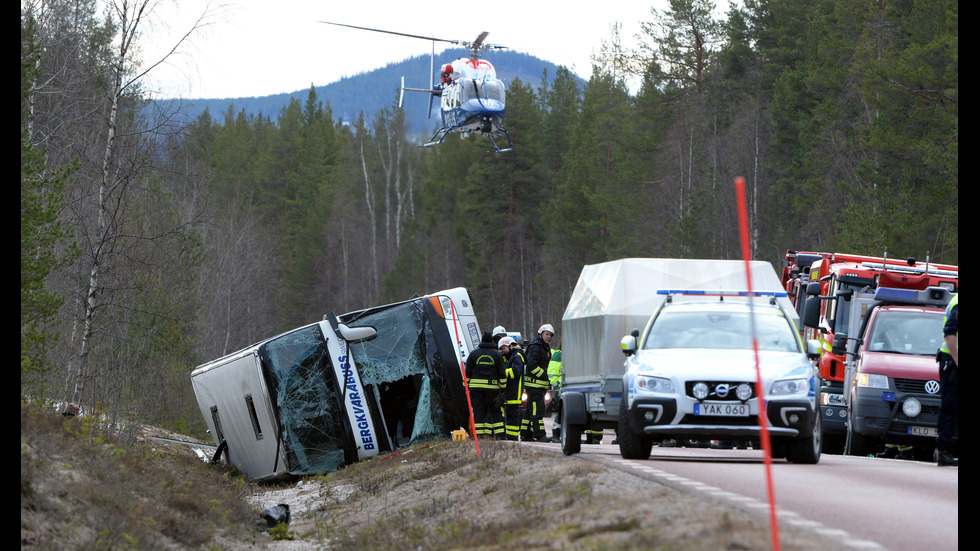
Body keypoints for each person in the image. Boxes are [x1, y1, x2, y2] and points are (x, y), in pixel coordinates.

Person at [465, 331, 506, 439]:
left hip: (476, 389)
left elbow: (467, 371)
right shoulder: (497, 354)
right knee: (495, 410)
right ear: (491, 341)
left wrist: (466, 386)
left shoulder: (474, 354)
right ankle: (500, 435)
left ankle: (479, 435)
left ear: (482, 340)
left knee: (478, 411)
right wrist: (502, 389)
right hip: (492, 389)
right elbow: (502, 373)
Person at [521, 324, 555, 442]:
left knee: (530, 410)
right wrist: (545, 375)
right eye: (547, 334)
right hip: (535, 386)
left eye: (550, 335)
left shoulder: (545, 348)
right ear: (540, 334)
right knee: (537, 410)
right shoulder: (536, 347)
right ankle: (540, 434)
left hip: (538, 386)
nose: (549, 337)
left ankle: (526, 434)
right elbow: (532, 365)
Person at [936, 292, 958, 466]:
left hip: (951, 361)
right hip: (952, 363)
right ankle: (943, 451)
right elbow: (950, 334)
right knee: (950, 406)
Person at [498, 336, 524, 441]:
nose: (502, 351)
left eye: (503, 348)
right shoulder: (512, 356)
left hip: (514, 390)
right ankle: (510, 435)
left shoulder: (517, 356)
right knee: (510, 414)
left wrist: (503, 372)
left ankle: (512, 436)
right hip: (511, 390)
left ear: (510, 345)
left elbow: (516, 371)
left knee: (513, 414)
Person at [547, 340, 563, 440]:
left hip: (566, 388)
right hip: (560, 389)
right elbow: (552, 372)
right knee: (560, 412)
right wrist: (556, 387)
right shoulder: (558, 355)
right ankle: (556, 434)